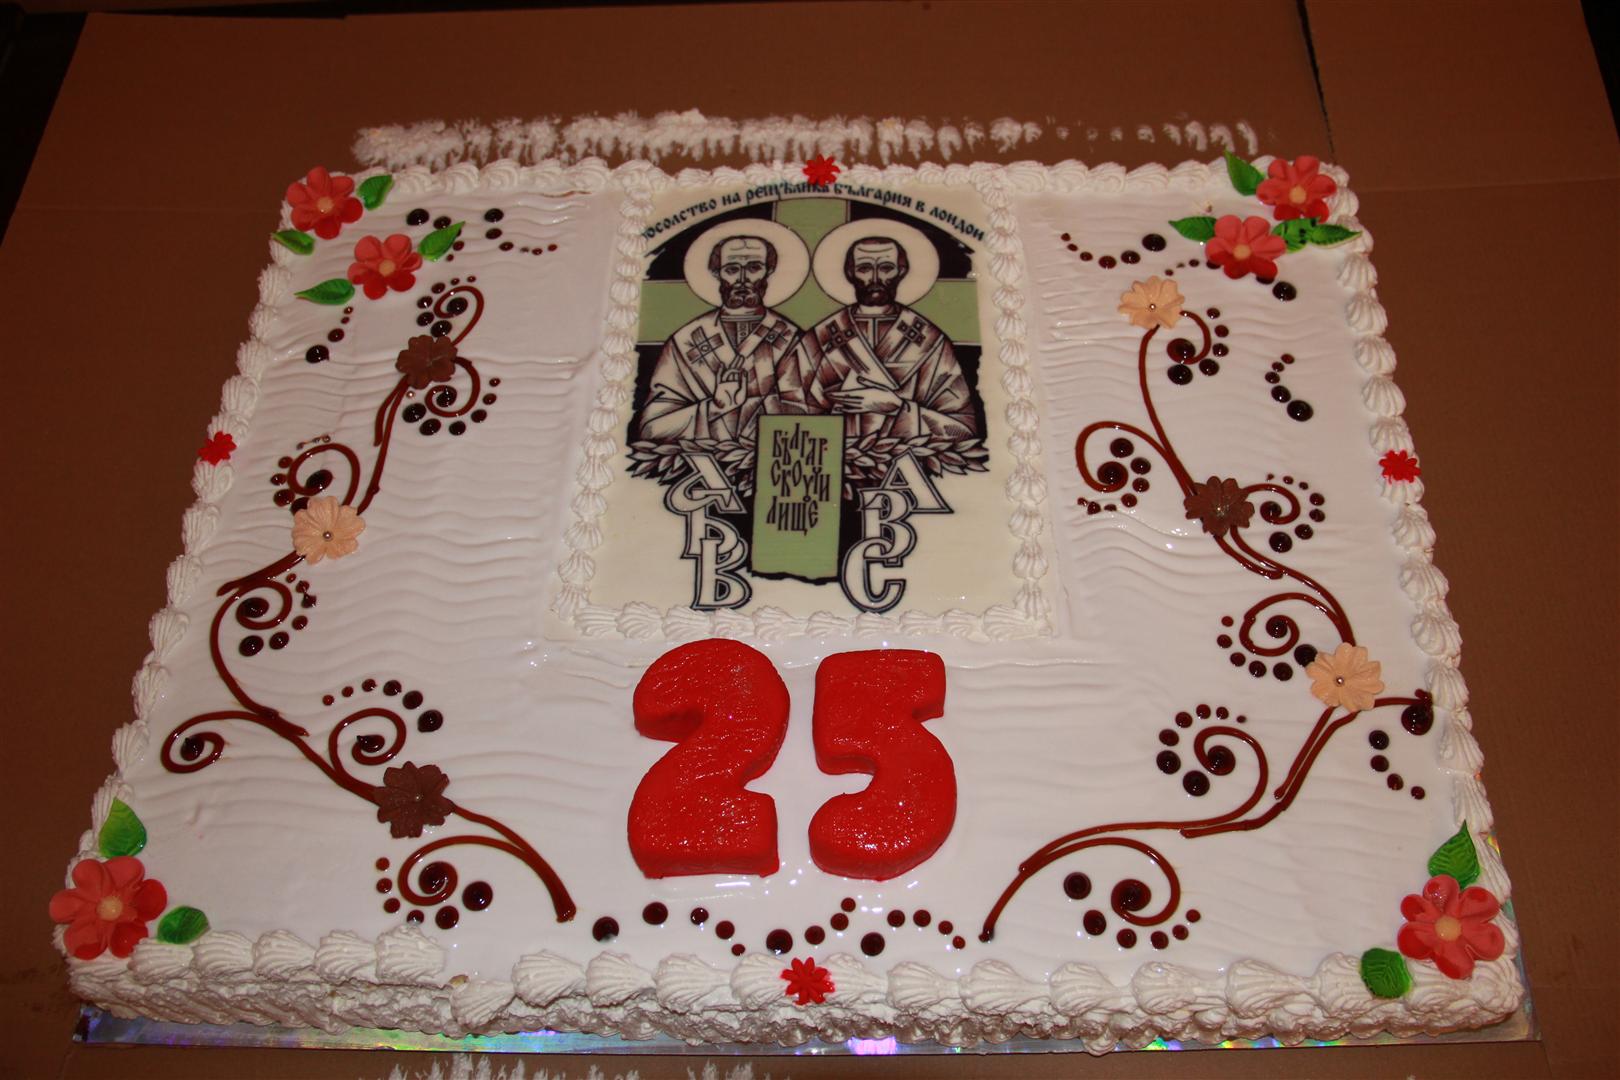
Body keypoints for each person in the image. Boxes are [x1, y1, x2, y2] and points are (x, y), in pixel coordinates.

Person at [779, 236, 977, 441]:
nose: (875, 278)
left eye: (886, 268)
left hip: (908, 457)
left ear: (901, 272)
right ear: (850, 273)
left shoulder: (930, 340)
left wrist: (898, 407)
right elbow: (786, 421)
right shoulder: (818, 339)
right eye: (864, 268)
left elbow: (963, 431)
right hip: (833, 456)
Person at [635, 235, 801, 443]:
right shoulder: (686, 341)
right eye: (731, 269)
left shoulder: (791, 339)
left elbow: (813, 418)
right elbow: (650, 429)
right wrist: (715, 407)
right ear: (716, 273)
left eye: (754, 267)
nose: (742, 279)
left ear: (769, 271)